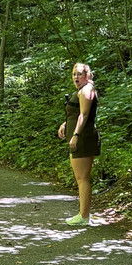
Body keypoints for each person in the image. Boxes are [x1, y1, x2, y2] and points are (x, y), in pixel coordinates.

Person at [56, 62, 100, 225]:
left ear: (87, 75)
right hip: (79, 136)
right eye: (74, 74)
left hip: (83, 138)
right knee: (80, 178)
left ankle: (83, 216)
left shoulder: (87, 90)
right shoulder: (81, 90)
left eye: (79, 74)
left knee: (82, 178)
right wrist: (65, 124)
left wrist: (75, 135)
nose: (76, 77)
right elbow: (75, 113)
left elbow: (84, 114)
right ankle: (83, 214)